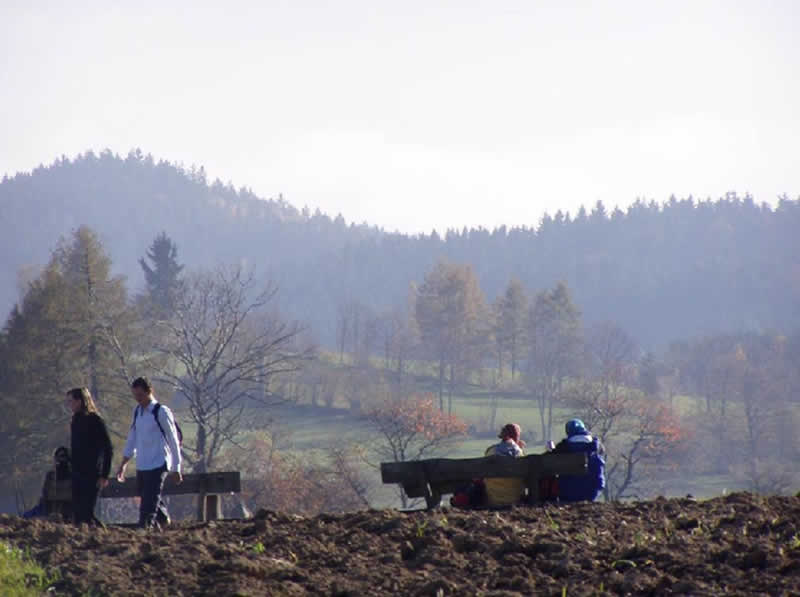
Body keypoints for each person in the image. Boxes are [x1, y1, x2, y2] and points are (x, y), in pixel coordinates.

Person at [116, 377, 182, 529]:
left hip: (159, 462)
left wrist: (176, 468)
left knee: (148, 502)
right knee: (147, 495)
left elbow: (173, 440)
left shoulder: (161, 411)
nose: (137, 399)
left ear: (149, 391)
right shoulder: (137, 412)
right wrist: (124, 463)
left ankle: (144, 528)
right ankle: (164, 518)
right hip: (143, 463)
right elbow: (132, 437)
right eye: (135, 395)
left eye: (140, 395)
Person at [67, 387, 113, 525]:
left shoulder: (95, 420)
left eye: (71, 401)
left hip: (92, 473)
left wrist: (104, 474)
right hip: (77, 473)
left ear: (80, 401)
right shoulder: (75, 421)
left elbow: (108, 448)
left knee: (87, 512)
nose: (69, 405)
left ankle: (100, 533)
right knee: (77, 513)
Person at [553, 418, 605, 502]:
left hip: (567, 493)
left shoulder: (562, 448)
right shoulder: (595, 448)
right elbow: (599, 478)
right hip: (590, 494)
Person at [483, 423, 526, 507]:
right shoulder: (519, 454)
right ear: (516, 437)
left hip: (493, 501)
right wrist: (520, 449)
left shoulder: (491, 451)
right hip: (515, 500)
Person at [23, 447, 72, 519]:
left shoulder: (72, 477)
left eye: (63, 457)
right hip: (49, 509)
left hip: (63, 511)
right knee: (26, 516)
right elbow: (45, 495)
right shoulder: (51, 475)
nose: (61, 460)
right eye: (60, 457)